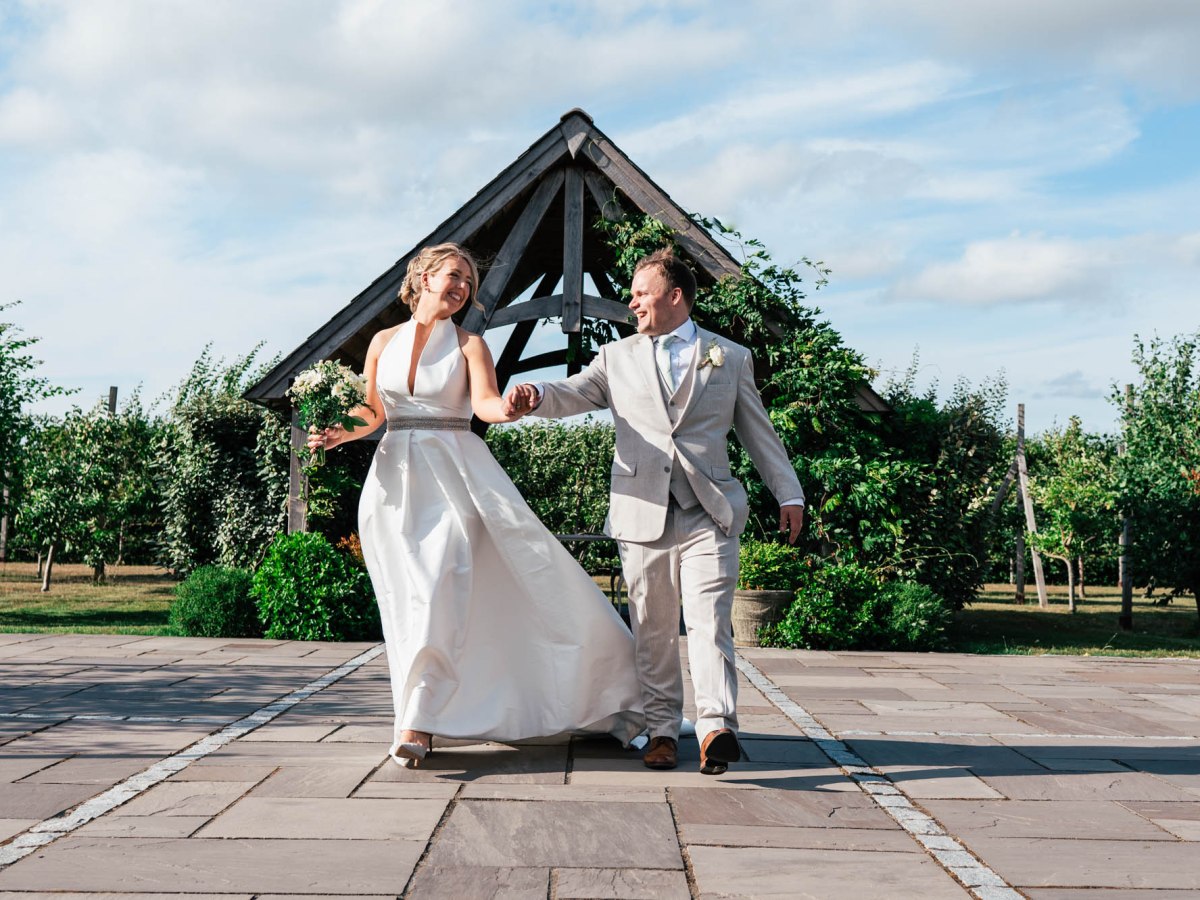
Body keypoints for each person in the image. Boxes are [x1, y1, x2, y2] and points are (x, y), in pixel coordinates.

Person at [308, 243, 643, 768]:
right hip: (394, 485)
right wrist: (338, 433)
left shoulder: (470, 346)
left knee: (437, 587)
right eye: (454, 275)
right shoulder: (382, 341)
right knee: (408, 599)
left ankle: (418, 724)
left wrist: (511, 408)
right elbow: (372, 411)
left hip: (454, 478)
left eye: (469, 280)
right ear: (423, 278)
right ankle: (421, 712)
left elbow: (485, 405)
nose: (463, 287)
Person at [506, 248, 804, 775]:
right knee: (653, 628)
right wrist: (536, 395)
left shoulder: (730, 357)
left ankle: (716, 728)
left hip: (710, 511)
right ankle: (662, 729)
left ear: (675, 295)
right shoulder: (615, 357)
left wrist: (790, 493)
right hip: (641, 511)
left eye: (642, 293)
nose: (633, 302)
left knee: (710, 623)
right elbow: (574, 393)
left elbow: (759, 432)